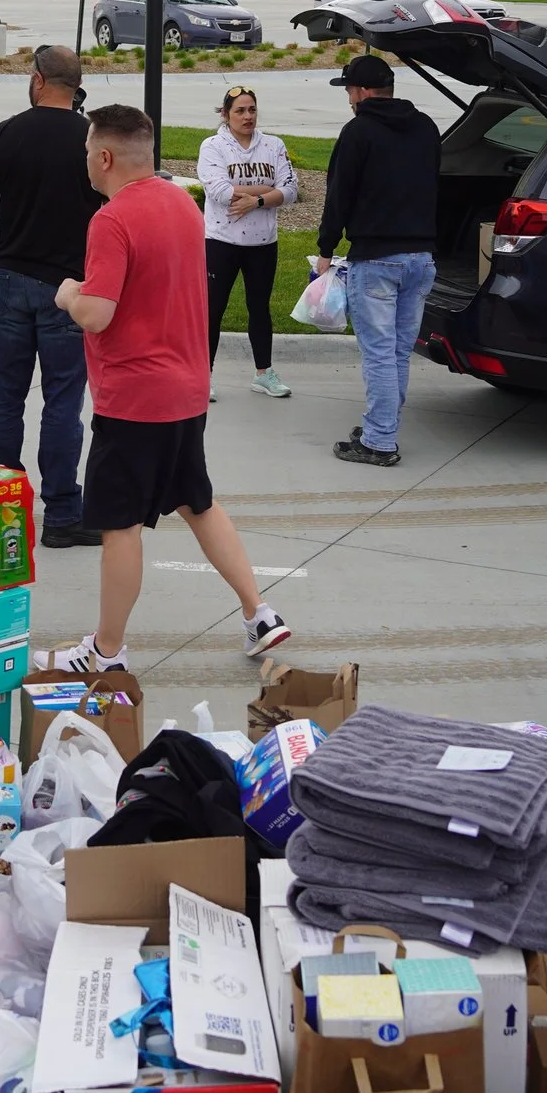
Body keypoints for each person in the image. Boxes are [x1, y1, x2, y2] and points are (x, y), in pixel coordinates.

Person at [47, 105, 293, 670]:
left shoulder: (110, 221)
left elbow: (98, 313)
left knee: (120, 525)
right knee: (197, 502)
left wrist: (67, 294)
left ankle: (106, 653)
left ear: (104, 157)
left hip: (135, 398)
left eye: (88, 151)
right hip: (186, 390)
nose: (86, 160)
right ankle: (259, 613)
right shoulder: (182, 204)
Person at [0, 44, 105, 547]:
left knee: (4, 395)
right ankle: (64, 515)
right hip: (68, 289)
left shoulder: (4, 134)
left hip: (8, 281)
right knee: (63, 404)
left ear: (39, 80)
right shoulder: (92, 140)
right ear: (75, 85)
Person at [314, 52, 442, 468]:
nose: (349, 98)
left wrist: (326, 249)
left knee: (379, 354)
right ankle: (381, 425)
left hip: (377, 260)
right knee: (398, 352)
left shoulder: (358, 132)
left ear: (365, 91)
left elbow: (339, 196)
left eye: (350, 89)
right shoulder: (426, 128)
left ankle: (380, 442)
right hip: (422, 259)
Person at [198, 85, 300, 401]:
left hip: (262, 243)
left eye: (252, 110)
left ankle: (263, 374)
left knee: (259, 308)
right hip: (221, 242)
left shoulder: (273, 145)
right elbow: (217, 190)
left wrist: (254, 201)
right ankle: (203, 377)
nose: (247, 116)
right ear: (226, 114)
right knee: (212, 310)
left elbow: (291, 190)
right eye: (240, 110)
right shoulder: (213, 146)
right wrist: (265, 190)